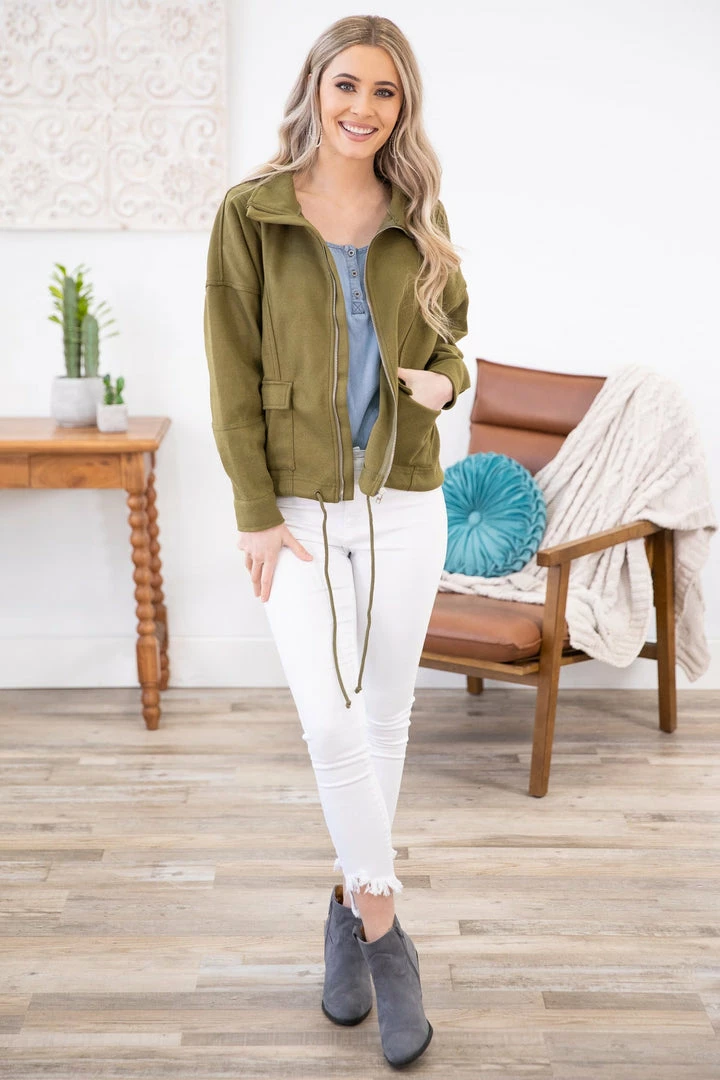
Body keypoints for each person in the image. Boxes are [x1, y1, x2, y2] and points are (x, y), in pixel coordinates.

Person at [204, 14, 470, 1068]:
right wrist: (253, 511)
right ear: (316, 88)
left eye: (385, 92)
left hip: (405, 498)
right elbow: (230, 374)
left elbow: (453, 341)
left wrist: (446, 384)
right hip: (298, 510)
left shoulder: (417, 212)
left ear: (403, 109)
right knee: (329, 722)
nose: (364, 108)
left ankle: (343, 908)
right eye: (347, 85)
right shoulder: (252, 214)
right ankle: (384, 934)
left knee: (386, 718)